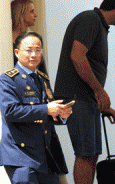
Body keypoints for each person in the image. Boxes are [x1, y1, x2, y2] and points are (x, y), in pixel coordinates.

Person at [54, 0, 115, 184]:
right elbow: (77, 56)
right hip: (77, 98)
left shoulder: (98, 23)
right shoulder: (90, 20)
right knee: (86, 154)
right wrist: (99, 91)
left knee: (93, 153)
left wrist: (102, 102)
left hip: (87, 100)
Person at [0, 31, 72, 183]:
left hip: (45, 154)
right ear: (17, 52)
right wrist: (47, 109)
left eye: (38, 50)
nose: (34, 54)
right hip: (21, 155)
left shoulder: (42, 79)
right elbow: (10, 111)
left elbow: (46, 113)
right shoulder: (8, 79)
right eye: (29, 50)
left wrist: (60, 114)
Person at [11, 0, 47, 75]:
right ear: (21, 14)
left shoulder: (33, 38)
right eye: (31, 11)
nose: (36, 15)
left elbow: (41, 69)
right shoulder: (7, 40)